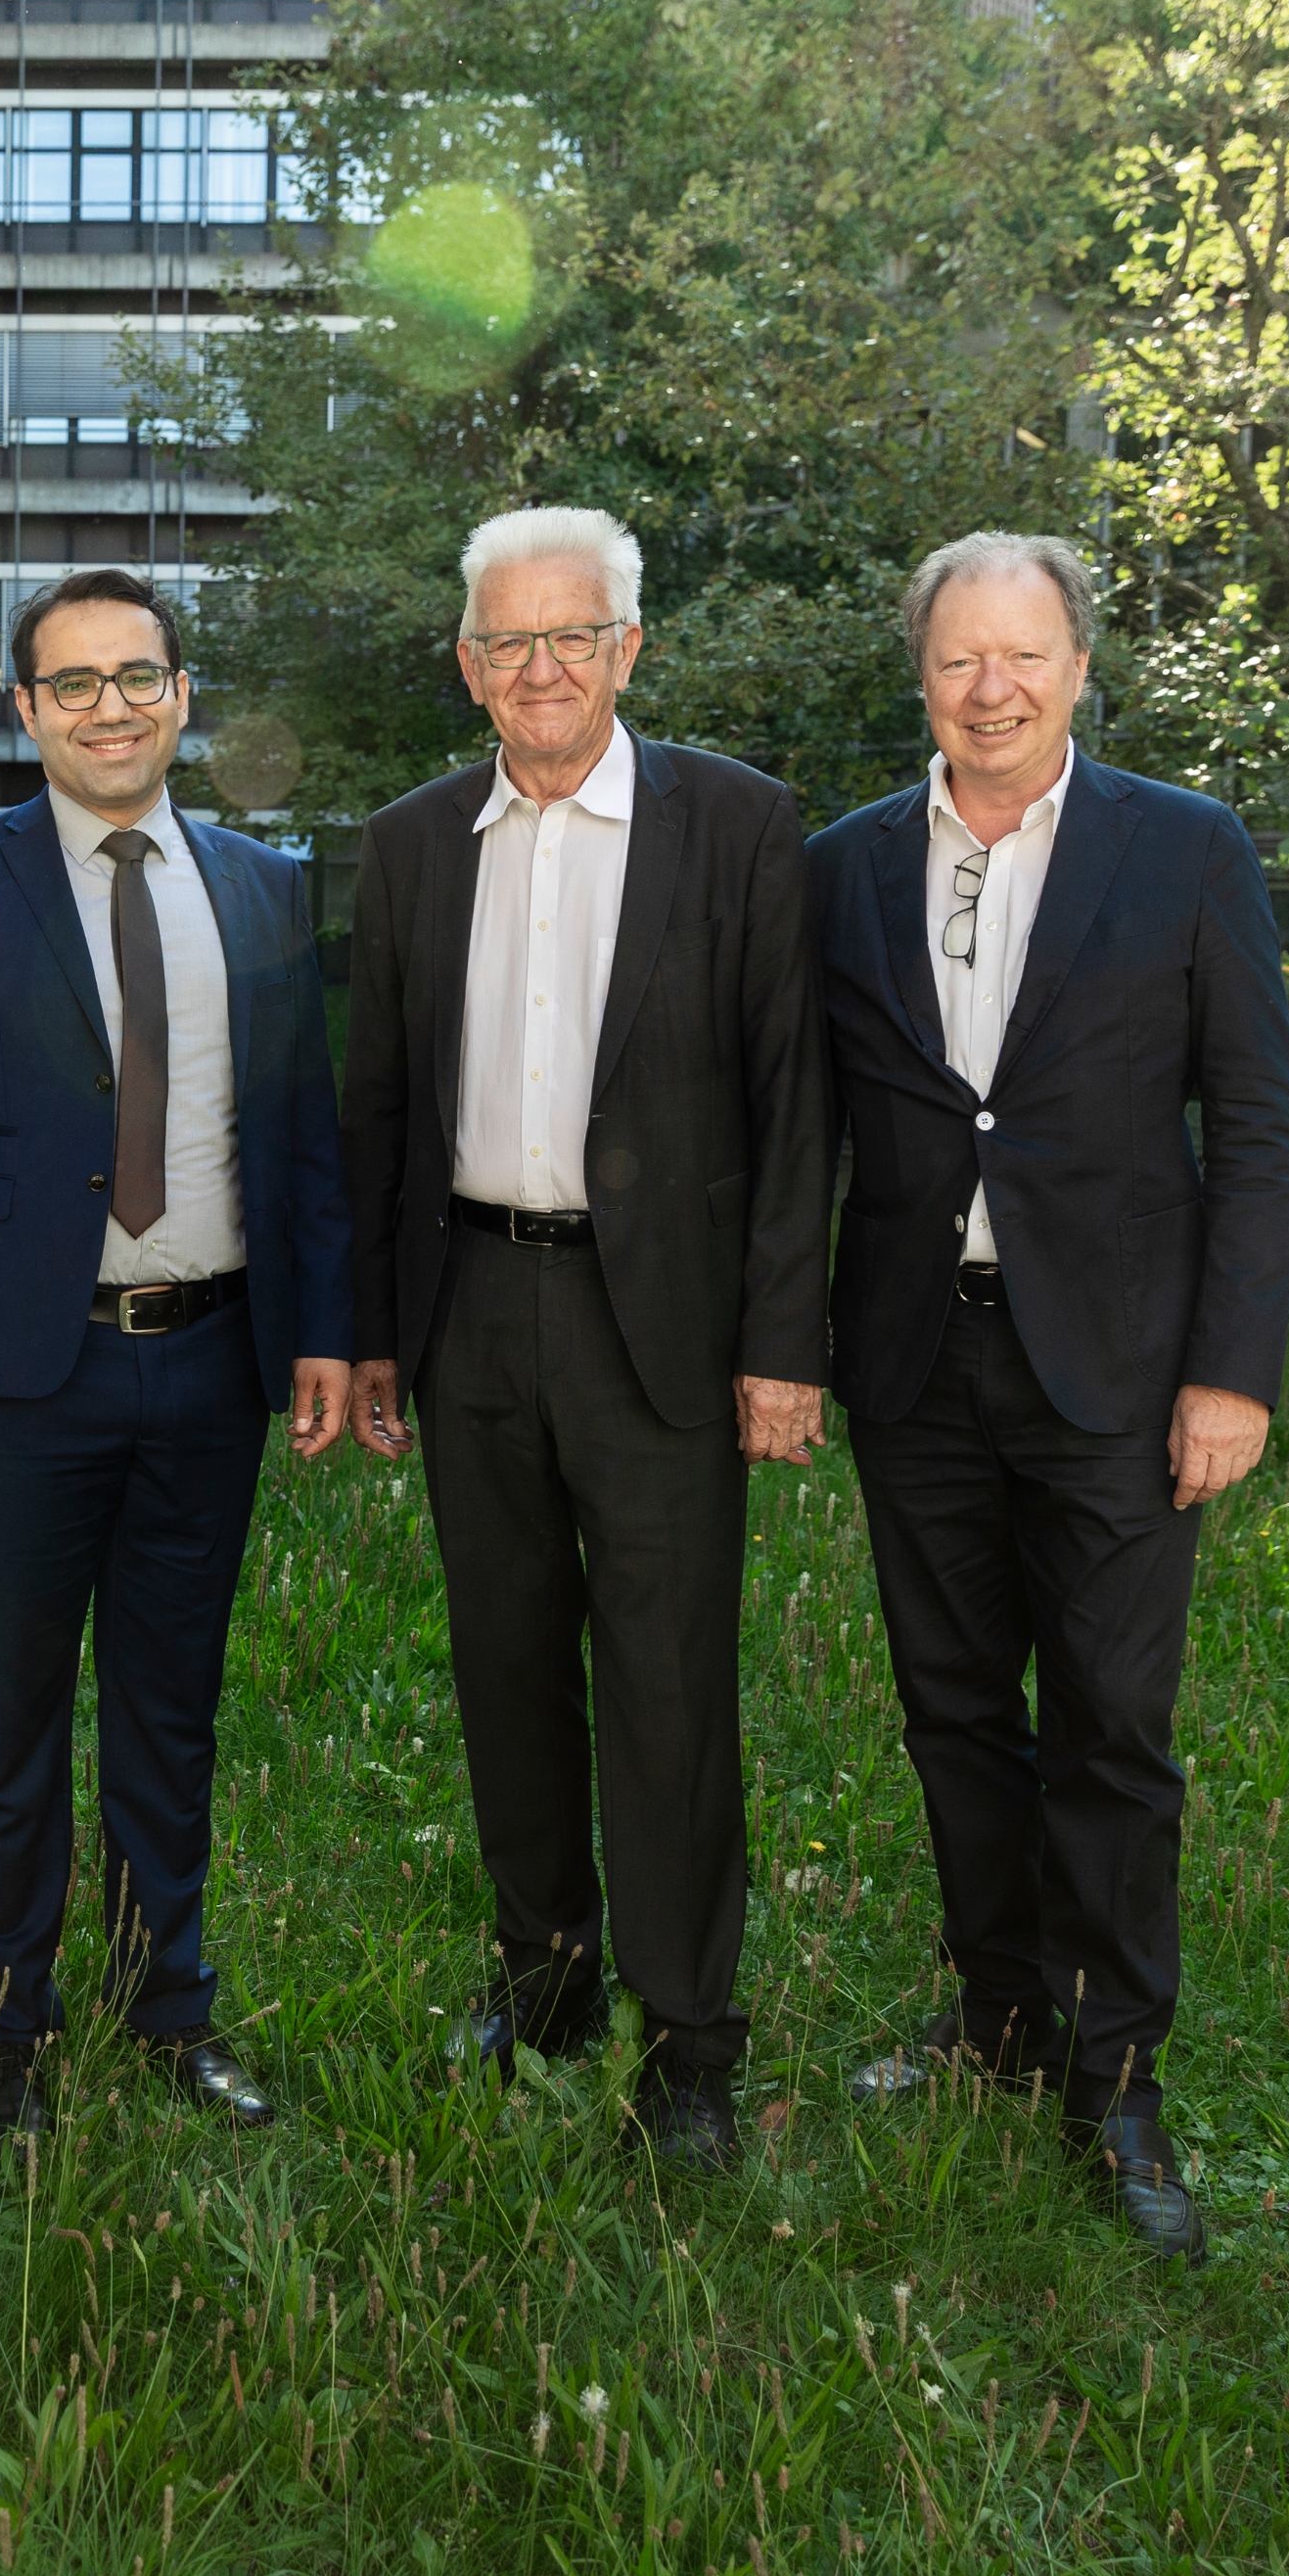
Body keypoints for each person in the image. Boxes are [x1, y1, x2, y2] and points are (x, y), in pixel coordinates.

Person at [809, 532, 1289, 2263]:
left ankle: (1114, 2074)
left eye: (1024, 655)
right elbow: (815, 1122)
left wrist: (1231, 1371)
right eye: (959, 660)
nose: (992, 688)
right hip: (911, 1357)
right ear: (923, 676)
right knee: (955, 1712)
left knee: (1109, 1722)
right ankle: (998, 2020)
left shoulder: (1183, 850)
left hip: (1118, 1365)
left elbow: (1256, 1123)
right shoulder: (848, 865)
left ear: (1081, 667)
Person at [342, 506, 830, 2172]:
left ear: (631, 648)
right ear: (469, 667)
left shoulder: (741, 828)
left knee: (672, 1681)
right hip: (474, 1305)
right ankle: (542, 1970)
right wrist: (369, 1336)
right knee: (505, 1661)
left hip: (670, 1327)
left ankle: (691, 2032)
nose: (541, 668)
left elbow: (792, 1101)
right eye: (508, 642)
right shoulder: (412, 844)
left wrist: (784, 1341)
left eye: (574, 637)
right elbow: (378, 1111)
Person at [0, 569, 353, 2153]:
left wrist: (325, 1323)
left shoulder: (266, 885)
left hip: (207, 1362)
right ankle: (2, 2037)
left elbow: (305, 1132)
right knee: (5, 1719)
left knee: (170, 1710)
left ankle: (166, 2007)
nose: (111, 706)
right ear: (27, 710)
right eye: (74, 683)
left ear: (184, 695)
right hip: (12, 1375)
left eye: (140, 675)